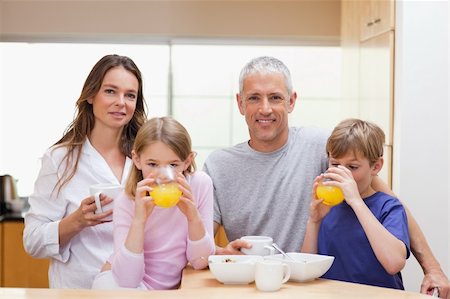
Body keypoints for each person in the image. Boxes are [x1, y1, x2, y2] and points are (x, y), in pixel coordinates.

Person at [203, 56, 449, 297]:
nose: (265, 108)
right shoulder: (218, 165)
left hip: (315, 290)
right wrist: (222, 253)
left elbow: (391, 205)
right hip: (255, 291)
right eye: (254, 98)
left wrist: (433, 269)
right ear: (240, 103)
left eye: (275, 97)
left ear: (291, 101)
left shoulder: (322, 146)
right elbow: (199, 243)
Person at [23, 54, 147, 288]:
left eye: (130, 95)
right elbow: (32, 241)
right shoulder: (60, 159)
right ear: (91, 95)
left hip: (137, 289)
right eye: (110, 91)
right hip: (79, 290)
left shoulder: (145, 159)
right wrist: (76, 221)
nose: (121, 102)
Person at [92, 116, 215, 290]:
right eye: (152, 164)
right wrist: (139, 220)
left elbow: (200, 262)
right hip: (122, 283)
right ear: (137, 160)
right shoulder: (126, 201)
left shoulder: (199, 185)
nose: (163, 175)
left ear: (187, 161)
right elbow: (128, 281)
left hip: (169, 289)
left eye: (173, 164)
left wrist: (192, 216)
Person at [301, 118, 410, 289]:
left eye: (352, 167)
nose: (342, 173)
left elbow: (394, 263)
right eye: (335, 164)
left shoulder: (389, 207)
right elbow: (306, 268)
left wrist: (356, 202)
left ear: (376, 167)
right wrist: (313, 221)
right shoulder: (327, 207)